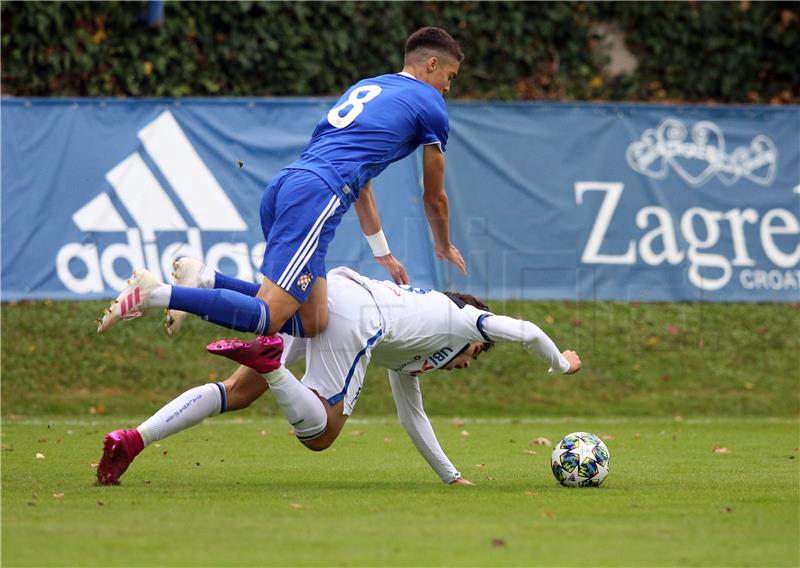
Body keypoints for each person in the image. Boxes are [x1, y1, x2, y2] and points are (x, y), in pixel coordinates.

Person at [97, 27, 467, 340]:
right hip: (317, 196)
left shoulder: (371, 86)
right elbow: (434, 197)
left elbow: (364, 185)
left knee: (313, 320)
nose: (448, 88)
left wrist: (381, 251)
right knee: (270, 316)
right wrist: (444, 244)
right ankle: (156, 293)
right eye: (449, 77)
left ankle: (205, 278)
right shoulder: (429, 104)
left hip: (289, 184)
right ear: (431, 64)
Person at [97, 265, 582, 486]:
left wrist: (451, 476)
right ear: (472, 337)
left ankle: (132, 439)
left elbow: (413, 418)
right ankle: (270, 363)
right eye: (472, 357)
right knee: (321, 434)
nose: (463, 365)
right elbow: (525, 330)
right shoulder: (460, 319)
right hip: (357, 318)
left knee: (237, 392)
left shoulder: (413, 354)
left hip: (340, 291)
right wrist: (561, 362)